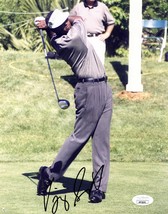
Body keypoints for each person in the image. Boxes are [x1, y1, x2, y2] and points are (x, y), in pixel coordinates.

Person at [35, 8, 113, 203]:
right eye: (65, 24)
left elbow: (65, 24)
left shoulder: (58, 37)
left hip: (103, 86)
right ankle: (49, 174)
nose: (69, 23)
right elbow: (77, 18)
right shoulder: (73, 37)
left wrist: (47, 25)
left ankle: (98, 188)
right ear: (63, 28)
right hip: (89, 90)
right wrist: (53, 22)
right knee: (79, 137)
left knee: (101, 141)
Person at [70, 0, 115, 64]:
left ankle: (99, 74)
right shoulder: (78, 7)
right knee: (83, 64)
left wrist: (107, 34)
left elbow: (111, 22)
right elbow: (69, 21)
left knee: (99, 64)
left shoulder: (102, 7)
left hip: (97, 39)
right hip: (82, 40)